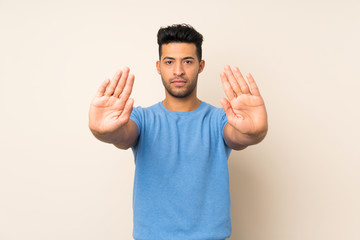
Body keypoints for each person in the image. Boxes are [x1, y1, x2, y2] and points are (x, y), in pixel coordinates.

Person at [89, 24, 268, 240]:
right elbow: (122, 135)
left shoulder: (220, 119)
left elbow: (239, 136)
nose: (178, 71)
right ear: (158, 66)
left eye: (188, 61)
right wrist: (103, 132)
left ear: (201, 66)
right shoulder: (141, 119)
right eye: (169, 62)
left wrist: (254, 133)